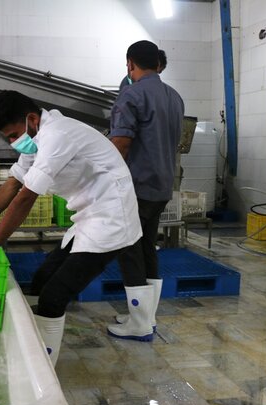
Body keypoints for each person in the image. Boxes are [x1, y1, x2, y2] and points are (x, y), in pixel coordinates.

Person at [0, 90, 142, 365]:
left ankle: (42, 368)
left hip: (111, 217)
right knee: (41, 280)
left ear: (31, 119)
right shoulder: (36, 139)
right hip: (88, 215)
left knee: (54, 295)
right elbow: (13, 184)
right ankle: (32, 342)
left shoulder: (57, 135)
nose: (14, 143)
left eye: (14, 135)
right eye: (10, 138)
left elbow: (26, 197)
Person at [108, 40, 184, 341]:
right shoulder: (175, 97)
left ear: (129, 63)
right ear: (158, 63)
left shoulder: (132, 95)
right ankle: (145, 316)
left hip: (136, 187)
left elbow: (121, 144)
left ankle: (139, 325)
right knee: (148, 248)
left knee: (129, 251)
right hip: (163, 185)